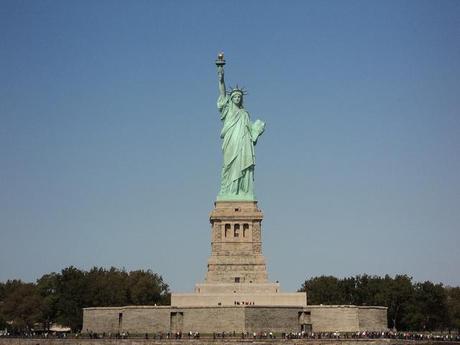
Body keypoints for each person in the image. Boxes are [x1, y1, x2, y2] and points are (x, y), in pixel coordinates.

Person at [216, 63, 265, 200]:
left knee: (241, 166)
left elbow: (251, 131)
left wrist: (257, 130)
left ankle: (242, 191)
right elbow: (222, 91)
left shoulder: (244, 114)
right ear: (231, 99)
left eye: (239, 97)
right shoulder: (228, 109)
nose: (237, 98)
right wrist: (221, 77)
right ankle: (229, 191)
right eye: (235, 97)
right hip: (231, 142)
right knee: (229, 166)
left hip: (243, 143)